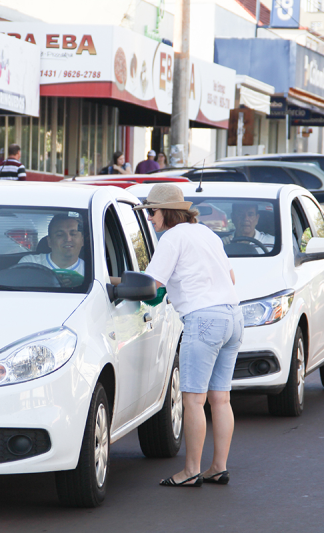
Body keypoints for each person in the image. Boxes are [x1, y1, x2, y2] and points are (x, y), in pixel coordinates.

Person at [133, 184, 243, 488]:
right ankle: (218, 467)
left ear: (166, 212)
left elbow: (152, 284)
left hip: (203, 320)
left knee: (193, 400)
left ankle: (191, 471)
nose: (150, 218)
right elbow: (231, 277)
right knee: (221, 398)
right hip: (233, 317)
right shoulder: (206, 233)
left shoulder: (171, 238)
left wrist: (118, 284)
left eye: (152, 212)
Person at [19, 214, 85, 287]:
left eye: (73, 234)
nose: (68, 239)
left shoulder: (91, 271)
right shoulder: (30, 264)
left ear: (82, 240)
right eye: (60, 235)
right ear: (49, 242)